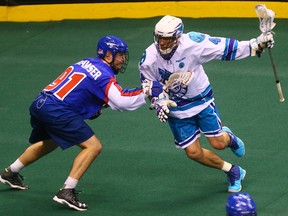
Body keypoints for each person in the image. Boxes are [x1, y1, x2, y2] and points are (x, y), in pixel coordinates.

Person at [0, 35, 162, 211]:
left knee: (51, 141)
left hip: (41, 103)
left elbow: (83, 91)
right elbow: (121, 101)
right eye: (120, 55)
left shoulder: (87, 62)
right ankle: (67, 191)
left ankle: (10, 173)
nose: (123, 59)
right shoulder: (103, 75)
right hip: (57, 110)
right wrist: (146, 91)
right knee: (93, 146)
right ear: (108, 55)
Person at [139, 15, 274, 193]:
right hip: (176, 108)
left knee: (218, 143)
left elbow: (225, 48)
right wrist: (159, 101)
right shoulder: (149, 58)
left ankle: (229, 138)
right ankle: (233, 171)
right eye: (159, 37)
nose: (162, 43)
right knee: (193, 152)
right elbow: (148, 85)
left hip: (200, 100)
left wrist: (255, 44)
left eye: (167, 38)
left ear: (178, 37)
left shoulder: (193, 43)